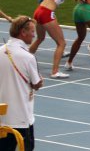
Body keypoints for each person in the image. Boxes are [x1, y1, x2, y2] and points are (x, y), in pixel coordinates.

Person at [19, 0, 82, 79]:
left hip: (38, 10)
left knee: (40, 38)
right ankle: (55, 71)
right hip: (47, 12)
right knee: (61, 43)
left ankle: (22, 62)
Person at [0, 15, 43, 151]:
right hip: (22, 117)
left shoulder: (1, 50)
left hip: (2, 117)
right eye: (32, 31)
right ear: (23, 32)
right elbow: (36, 83)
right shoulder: (28, 57)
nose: (34, 34)